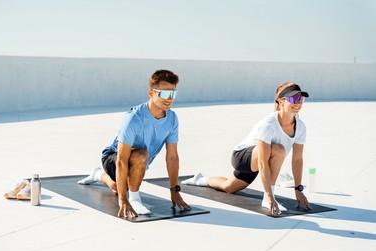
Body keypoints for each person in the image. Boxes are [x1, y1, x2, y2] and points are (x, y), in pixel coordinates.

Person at [182, 82, 312, 215]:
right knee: (278, 149)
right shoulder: (269, 124)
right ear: (281, 101)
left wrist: (298, 189)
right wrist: (269, 196)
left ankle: (200, 179)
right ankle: (267, 199)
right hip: (242, 157)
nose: (298, 103)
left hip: (260, 161)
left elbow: (297, 160)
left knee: (228, 187)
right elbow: (262, 162)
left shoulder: (300, 127)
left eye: (301, 99)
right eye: (293, 99)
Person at [78, 69, 190, 218]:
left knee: (118, 188)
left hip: (137, 162)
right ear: (151, 93)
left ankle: (97, 174)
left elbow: (172, 157)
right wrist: (124, 200)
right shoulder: (133, 118)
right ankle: (135, 198)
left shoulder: (172, 119)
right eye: (164, 93)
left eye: (173, 94)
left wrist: (174, 192)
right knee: (140, 158)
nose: (169, 98)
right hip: (113, 157)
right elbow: (121, 161)